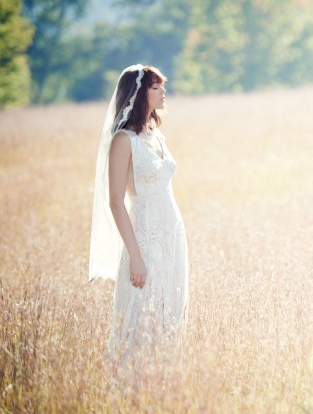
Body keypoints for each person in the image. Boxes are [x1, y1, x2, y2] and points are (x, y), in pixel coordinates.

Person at [89, 64, 189, 364]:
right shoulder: (124, 140)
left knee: (168, 309)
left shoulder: (157, 135)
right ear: (138, 93)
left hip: (172, 231)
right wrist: (135, 256)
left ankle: (163, 380)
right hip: (144, 235)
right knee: (141, 311)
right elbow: (116, 202)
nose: (163, 91)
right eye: (155, 87)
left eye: (162, 86)